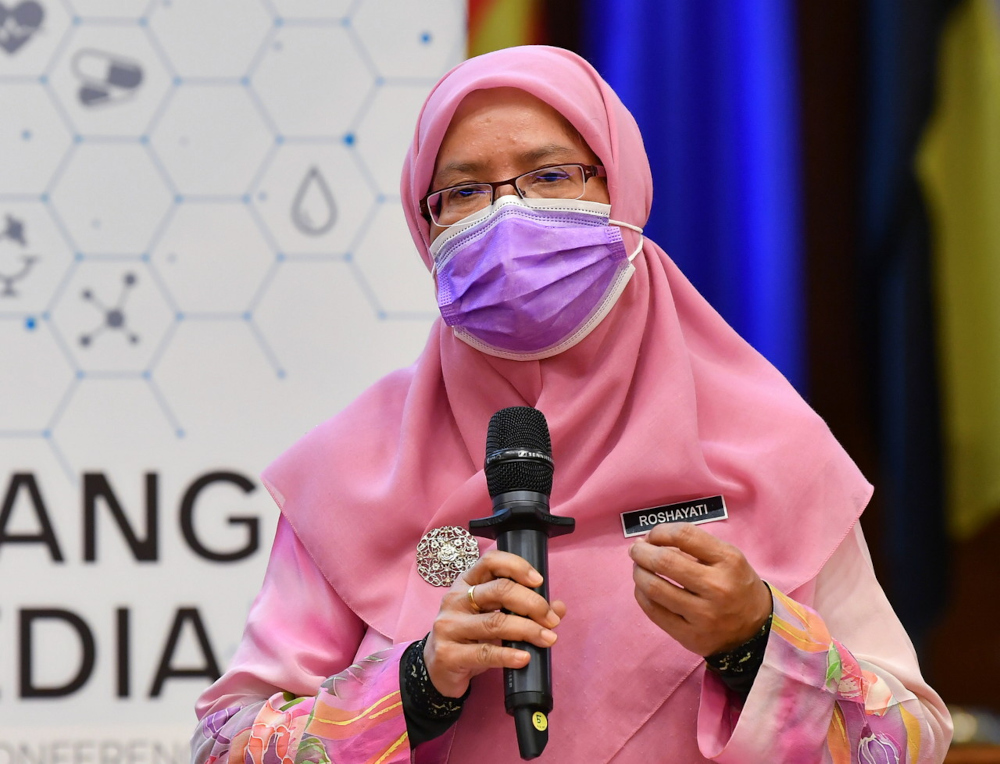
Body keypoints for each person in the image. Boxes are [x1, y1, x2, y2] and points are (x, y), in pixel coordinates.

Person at [191, 46, 952, 763]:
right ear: (424, 226)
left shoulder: (770, 447)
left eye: (551, 175)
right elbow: (225, 744)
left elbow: (913, 736)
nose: (507, 217)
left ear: (620, 188)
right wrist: (415, 682)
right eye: (462, 192)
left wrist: (756, 636)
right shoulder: (353, 470)